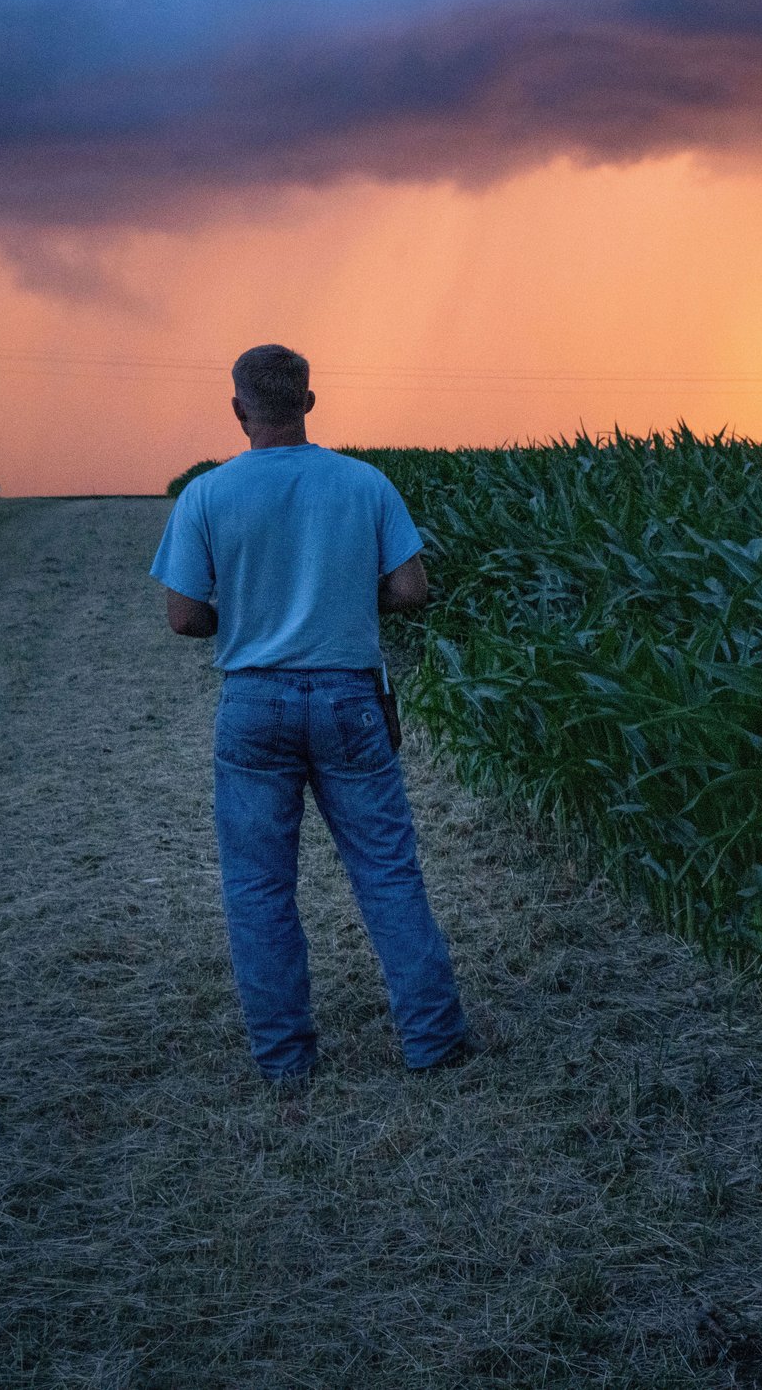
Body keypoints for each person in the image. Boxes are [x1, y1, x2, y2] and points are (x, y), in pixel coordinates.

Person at [150, 344, 473, 1082]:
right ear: (310, 402)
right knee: (389, 872)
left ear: (238, 411)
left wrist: (245, 616)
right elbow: (413, 589)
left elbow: (182, 616)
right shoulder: (364, 483)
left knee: (260, 888)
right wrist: (348, 598)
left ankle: (286, 1061)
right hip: (350, 699)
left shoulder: (206, 494)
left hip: (253, 702)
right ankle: (434, 1042)